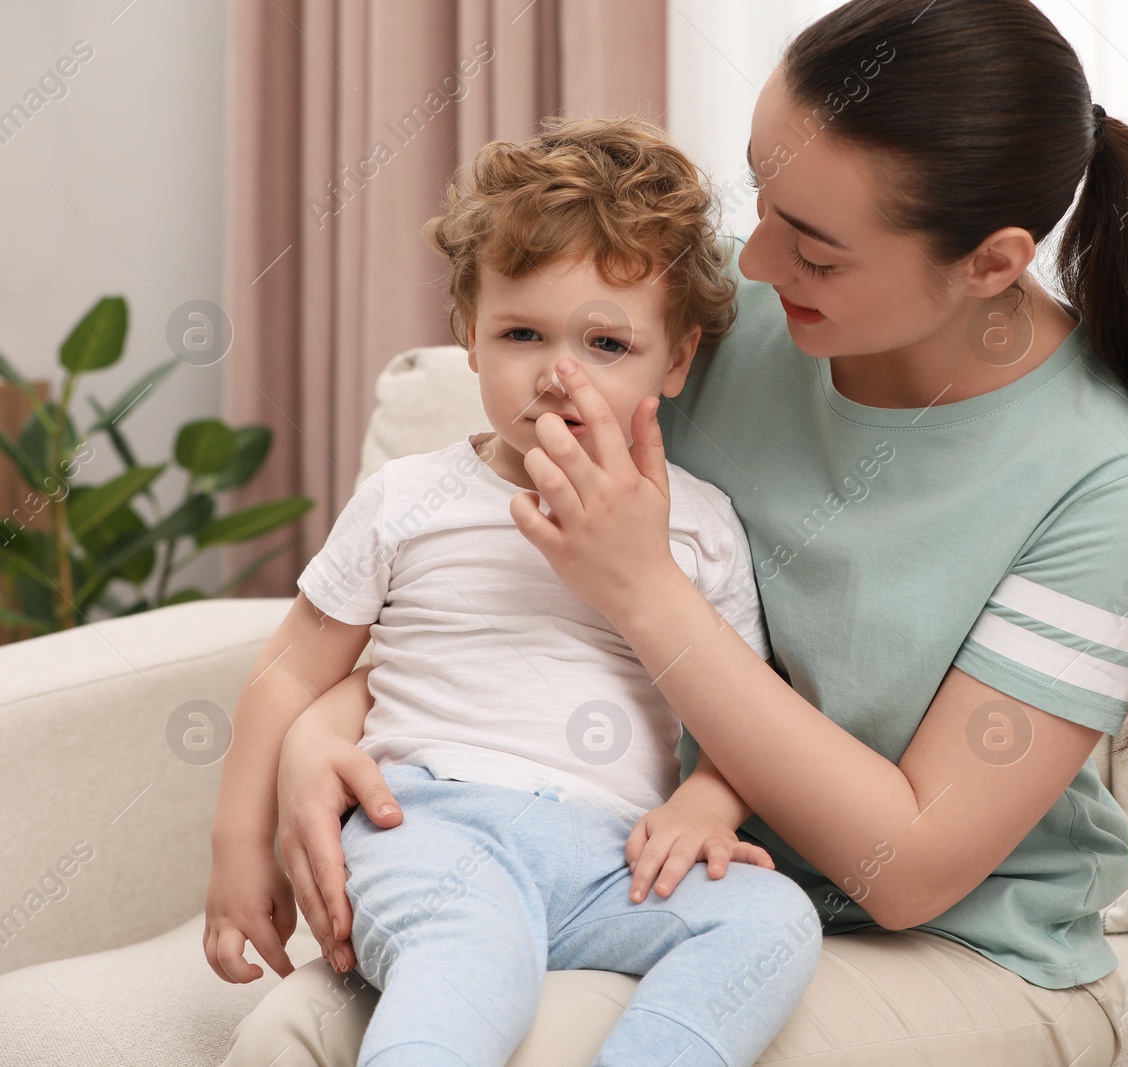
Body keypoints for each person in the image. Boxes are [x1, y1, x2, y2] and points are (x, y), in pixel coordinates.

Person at [222, 1, 1128, 1064]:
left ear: (991, 264)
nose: (756, 259)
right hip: (638, 868)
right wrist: (324, 728)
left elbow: (906, 865)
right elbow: (479, 567)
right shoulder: (705, 317)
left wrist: (643, 587)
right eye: (761, 200)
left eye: (813, 246)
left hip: (944, 943)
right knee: (302, 1029)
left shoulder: (1102, 476)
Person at [204, 118, 823, 1067]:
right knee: (471, 956)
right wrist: (239, 843)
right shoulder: (407, 499)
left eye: (608, 342)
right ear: (469, 336)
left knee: (773, 919)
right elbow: (289, 676)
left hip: (609, 859)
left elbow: (748, 706)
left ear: (678, 358)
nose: (559, 374)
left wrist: (708, 802)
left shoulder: (701, 524)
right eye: (522, 333)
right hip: (424, 823)